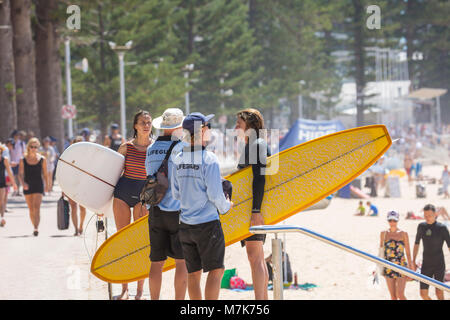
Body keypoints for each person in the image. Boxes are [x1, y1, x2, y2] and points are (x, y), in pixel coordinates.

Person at [171, 112, 233, 300]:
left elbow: (175, 194)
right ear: (202, 130)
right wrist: (227, 206)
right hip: (207, 224)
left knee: (193, 273)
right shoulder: (209, 159)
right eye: (208, 126)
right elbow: (215, 194)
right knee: (216, 270)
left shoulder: (178, 158)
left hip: (186, 225)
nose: (210, 130)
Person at [145, 108, 187, 300]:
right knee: (181, 262)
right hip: (177, 210)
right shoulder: (182, 148)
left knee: (156, 262)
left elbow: (149, 176)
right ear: (179, 127)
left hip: (155, 209)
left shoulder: (151, 148)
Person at [113, 110, 153, 300]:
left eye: (149, 122)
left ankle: (139, 291)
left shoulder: (155, 148)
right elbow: (111, 175)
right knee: (122, 241)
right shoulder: (125, 148)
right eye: (143, 122)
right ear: (135, 126)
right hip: (122, 193)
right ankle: (124, 289)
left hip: (142, 196)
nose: (146, 125)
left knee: (140, 243)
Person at [235, 108, 271, 300]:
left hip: (255, 209)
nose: (236, 128)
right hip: (255, 207)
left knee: (254, 256)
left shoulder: (256, 144)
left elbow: (260, 178)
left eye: (238, 124)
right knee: (257, 256)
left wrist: (256, 210)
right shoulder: (256, 144)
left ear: (249, 125)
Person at [412, 204, 450, 300]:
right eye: (425, 215)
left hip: (439, 264)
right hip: (426, 264)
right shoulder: (421, 226)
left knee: (439, 292)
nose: (427, 218)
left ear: (435, 214)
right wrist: (413, 260)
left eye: (429, 215)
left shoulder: (442, 228)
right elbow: (416, 244)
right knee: (423, 294)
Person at [379, 210, 413, 300]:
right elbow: (381, 251)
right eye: (390, 220)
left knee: (400, 294)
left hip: (401, 266)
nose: (392, 223)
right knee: (393, 297)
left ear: (398, 220)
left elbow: (408, 253)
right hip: (388, 266)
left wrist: (411, 267)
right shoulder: (383, 233)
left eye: (394, 220)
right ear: (387, 221)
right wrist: (379, 267)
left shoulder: (403, 234)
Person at [18, 138, 48, 236]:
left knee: (37, 207)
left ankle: (36, 228)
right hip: (28, 185)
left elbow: (45, 174)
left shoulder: (42, 159)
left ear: (38, 148)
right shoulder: (23, 160)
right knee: (31, 208)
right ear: (28, 147)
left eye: (35, 147)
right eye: (32, 147)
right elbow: (20, 174)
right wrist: (23, 184)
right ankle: (34, 225)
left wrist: (47, 185)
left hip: (38, 185)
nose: (34, 149)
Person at [65, 136, 87, 236]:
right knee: (73, 207)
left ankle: (81, 226)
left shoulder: (87, 157)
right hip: (71, 184)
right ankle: (75, 229)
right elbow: (64, 172)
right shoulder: (68, 156)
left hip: (83, 184)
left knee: (82, 208)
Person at [0, 143, 18, 227]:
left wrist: (14, 183)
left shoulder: (5, 159)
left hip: (2, 182)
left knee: (1, 201)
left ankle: (2, 217)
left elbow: (10, 172)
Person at [10, 130, 26, 196]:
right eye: (16, 135)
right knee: (13, 177)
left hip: (20, 163)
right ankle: (14, 190)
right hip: (12, 163)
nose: (17, 136)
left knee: (19, 177)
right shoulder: (11, 143)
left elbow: (24, 153)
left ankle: (18, 191)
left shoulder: (22, 143)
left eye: (18, 135)